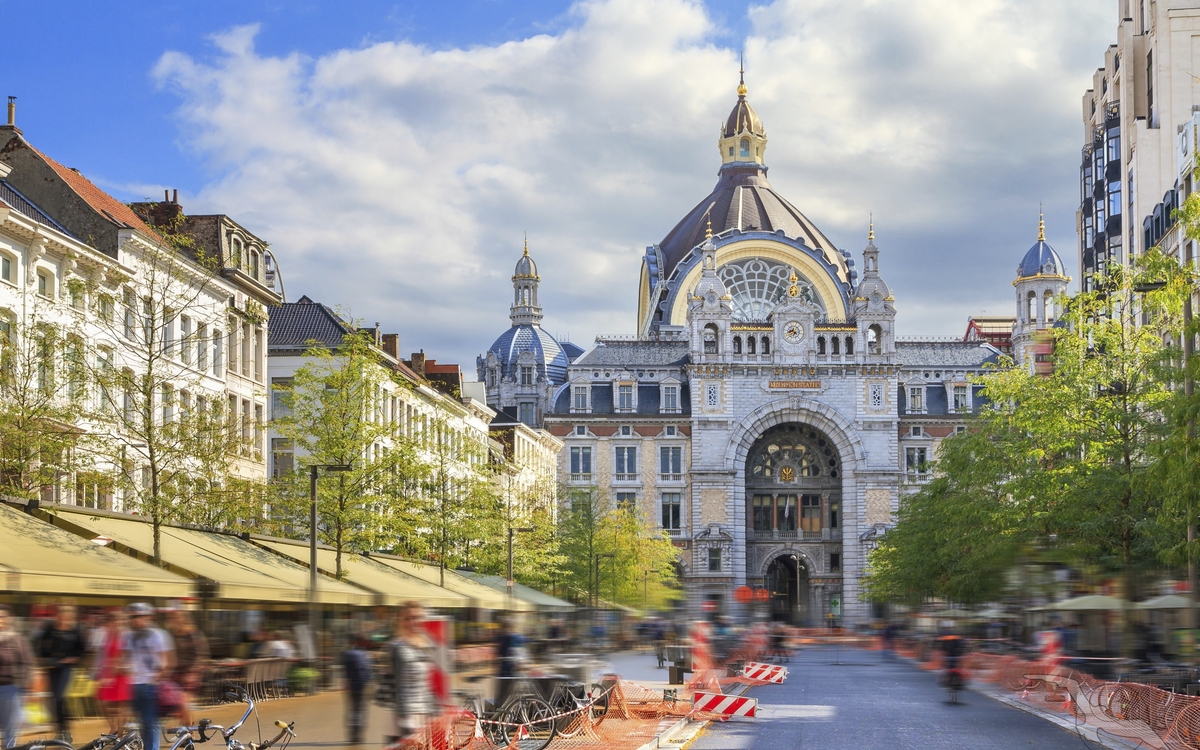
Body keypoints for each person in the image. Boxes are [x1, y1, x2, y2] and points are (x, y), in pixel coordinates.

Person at [124, 603, 174, 750]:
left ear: (148, 617)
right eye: (132, 617)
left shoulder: (158, 635)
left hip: (150, 685)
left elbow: (164, 661)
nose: (134, 620)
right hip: (135, 684)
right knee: (142, 722)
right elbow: (127, 658)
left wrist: (157, 678)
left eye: (137, 617)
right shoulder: (130, 636)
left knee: (151, 722)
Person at [35, 604, 86, 741]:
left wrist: (71, 659)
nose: (63, 617)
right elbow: (40, 646)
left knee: (59, 697)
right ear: (57, 615)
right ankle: (60, 730)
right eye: (61, 614)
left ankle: (65, 730)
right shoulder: (50, 629)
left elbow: (81, 651)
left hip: (66, 668)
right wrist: (45, 659)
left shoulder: (74, 632)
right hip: (52, 667)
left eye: (66, 614)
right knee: (54, 699)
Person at [389, 602, 434, 744]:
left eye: (416, 617)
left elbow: (425, 684)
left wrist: (433, 711)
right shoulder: (398, 647)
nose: (412, 622)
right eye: (408, 618)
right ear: (400, 621)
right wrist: (405, 718)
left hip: (424, 713)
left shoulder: (424, 644)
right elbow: (397, 685)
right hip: (408, 717)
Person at [165, 610, 208, 727]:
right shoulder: (173, 634)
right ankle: (186, 726)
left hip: (191, 672)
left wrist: (192, 672)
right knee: (178, 703)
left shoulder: (192, 633)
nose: (173, 621)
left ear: (183, 619)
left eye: (176, 618)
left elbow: (199, 654)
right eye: (172, 619)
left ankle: (189, 731)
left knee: (185, 702)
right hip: (176, 672)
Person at [0, 605, 34, 750]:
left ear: (9, 619)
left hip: (10, 690)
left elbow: (28, 664)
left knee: (9, 731)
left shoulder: (18, 640)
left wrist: (26, 689)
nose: (0, 620)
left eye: (2, 617)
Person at [94, 609, 131, 734]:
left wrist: (121, 664)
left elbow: (128, 654)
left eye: (115, 622)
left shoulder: (126, 635)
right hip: (109, 673)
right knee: (103, 701)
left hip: (122, 673)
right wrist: (101, 672)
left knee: (122, 705)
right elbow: (104, 655)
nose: (113, 625)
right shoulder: (107, 636)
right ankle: (114, 727)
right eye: (110, 623)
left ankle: (120, 732)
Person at [339, 635, 371, 744]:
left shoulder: (348, 654)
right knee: (360, 711)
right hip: (362, 686)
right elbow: (368, 672)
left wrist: (345, 684)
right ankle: (358, 736)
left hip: (353, 686)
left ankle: (353, 736)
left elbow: (345, 672)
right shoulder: (366, 655)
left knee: (353, 711)